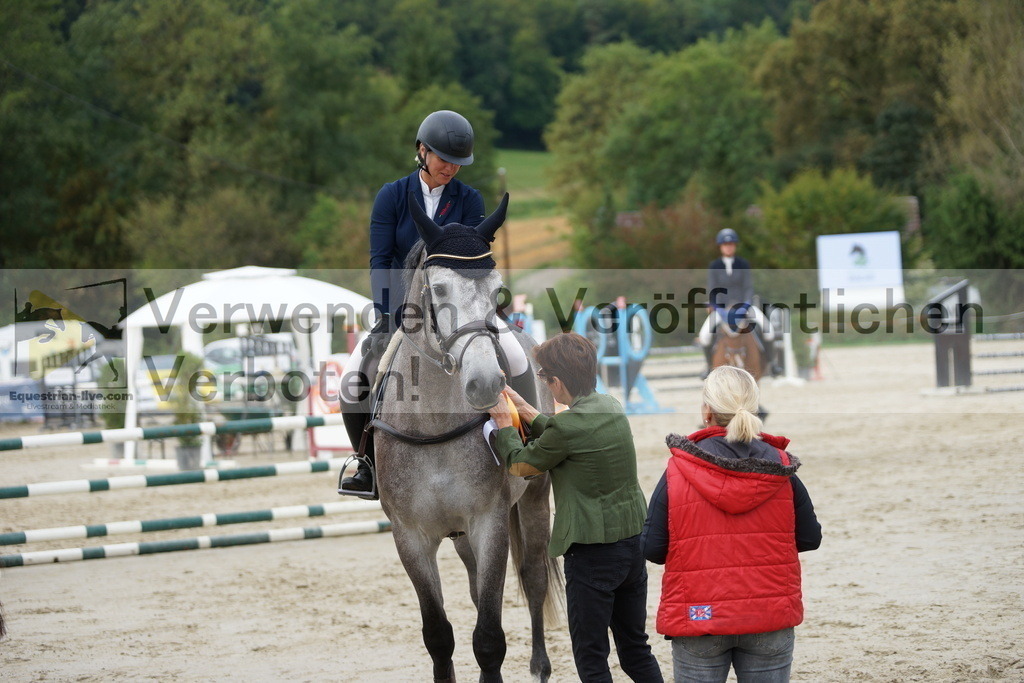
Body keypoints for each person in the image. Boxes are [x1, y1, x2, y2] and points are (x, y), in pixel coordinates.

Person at [339, 110, 535, 496]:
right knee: (352, 378)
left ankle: (527, 439)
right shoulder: (392, 196)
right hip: (402, 310)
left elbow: (475, 259)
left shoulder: (469, 199)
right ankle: (366, 462)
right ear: (422, 151)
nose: (450, 168)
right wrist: (392, 315)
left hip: (463, 312)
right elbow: (381, 261)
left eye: (457, 163)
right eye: (444, 159)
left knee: (516, 356)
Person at [489, 332, 663, 683]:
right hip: (631, 548)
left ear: (557, 381)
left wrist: (506, 426)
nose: (544, 383)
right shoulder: (611, 406)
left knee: (591, 656)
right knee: (635, 650)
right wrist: (526, 408)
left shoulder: (566, 429)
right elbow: (567, 433)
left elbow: (522, 465)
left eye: (544, 378)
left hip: (592, 555)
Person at [642, 366, 821, 682]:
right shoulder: (782, 471)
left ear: (707, 410)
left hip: (699, 615)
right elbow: (810, 538)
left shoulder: (676, 471)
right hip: (769, 615)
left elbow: (653, 548)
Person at [697, 229, 774, 377]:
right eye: (725, 244)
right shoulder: (714, 266)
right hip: (722, 309)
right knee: (704, 335)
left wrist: (745, 304)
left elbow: (748, 286)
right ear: (720, 246)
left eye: (731, 244)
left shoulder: (743, 263)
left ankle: (772, 364)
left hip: (744, 306)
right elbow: (713, 289)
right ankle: (708, 366)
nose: (728, 247)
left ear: (735, 246)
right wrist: (719, 308)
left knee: (768, 329)